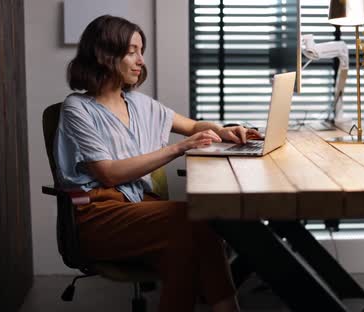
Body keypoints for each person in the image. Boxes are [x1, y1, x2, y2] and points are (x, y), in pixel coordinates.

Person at [54, 15, 261, 312]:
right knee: (194, 221)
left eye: (142, 51)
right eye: (132, 51)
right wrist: (179, 148)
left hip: (142, 209)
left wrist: (223, 130)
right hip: (99, 216)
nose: (141, 61)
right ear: (104, 55)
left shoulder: (140, 103)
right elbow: (109, 174)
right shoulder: (78, 108)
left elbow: (191, 125)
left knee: (184, 253)